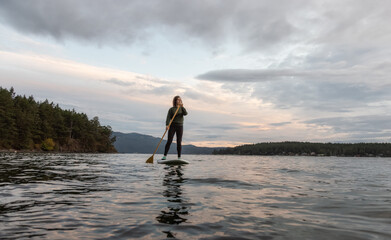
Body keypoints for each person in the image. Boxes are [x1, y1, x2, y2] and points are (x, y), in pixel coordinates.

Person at [161, 96, 188, 160]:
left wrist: (182, 106)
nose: (179, 101)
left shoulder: (181, 108)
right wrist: (167, 125)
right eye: (177, 100)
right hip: (172, 126)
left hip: (180, 126)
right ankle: (164, 156)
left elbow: (185, 113)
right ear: (175, 101)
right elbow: (168, 117)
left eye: (180, 100)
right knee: (169, 141)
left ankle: (179, 157)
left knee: (179, 142)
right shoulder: (171, 109)